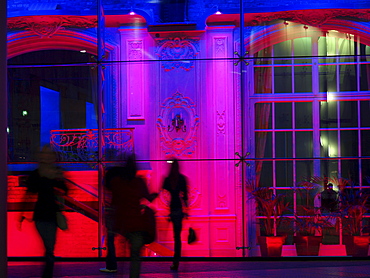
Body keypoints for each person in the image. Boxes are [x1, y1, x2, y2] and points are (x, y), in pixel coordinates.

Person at [18, 145, 68, 278]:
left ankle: (47, 272)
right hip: (47, 213)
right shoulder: (53, 172)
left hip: (45, 213)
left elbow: (30, 192)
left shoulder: (39, 173)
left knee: (49, 247)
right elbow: (65, 190)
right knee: (49, 247)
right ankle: (48, 271)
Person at [110, 155, 157, 278]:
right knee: (135, 256)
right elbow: (147, 197)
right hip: (137, 223)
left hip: (124, 223)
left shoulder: (118, 183)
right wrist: (155, 195)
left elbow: (114, 202)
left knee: (122, 253)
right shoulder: (139, 182)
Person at [162, 159, 189, 271]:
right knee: (177, 237)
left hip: (172, 210)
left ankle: (175, 261)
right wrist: (187, 210)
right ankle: (176, 261)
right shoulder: (182, 179)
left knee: (174, 236)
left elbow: (163, 194)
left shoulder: (168, 179)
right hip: (179, 209)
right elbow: (185, 196)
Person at [99, 166, 123, 273]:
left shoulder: (112, 187)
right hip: (120, 215)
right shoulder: (121, 186)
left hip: (113, 216)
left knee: (110, 240)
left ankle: (111, 265)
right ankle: (112, 265)